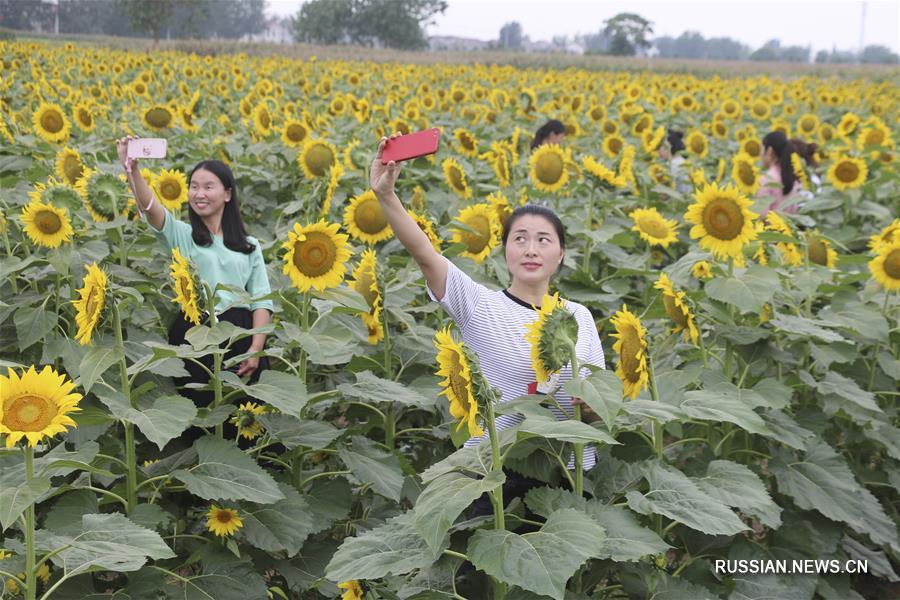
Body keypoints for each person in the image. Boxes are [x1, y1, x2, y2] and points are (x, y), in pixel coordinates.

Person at [370, 135, 606, 510]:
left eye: (544, 240)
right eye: (520, 239)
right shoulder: (480, 305)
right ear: (505, 250)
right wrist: (386, 196)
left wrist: (593, 406)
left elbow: (600, 400)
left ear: (561, 254)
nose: (531, 249)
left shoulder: (579, 316)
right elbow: (426, 255)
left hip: (570, 473)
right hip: (494, 473)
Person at [115, 136, 274, 411]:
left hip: (240, 336)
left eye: (208, 187)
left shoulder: (250, 246)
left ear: (227, 193)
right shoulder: (183, 235)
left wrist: (256, 348)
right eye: (194, 187)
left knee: (247, 413)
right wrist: (132, 169)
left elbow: (260, 300)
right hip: (195, 333)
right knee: (199, 411)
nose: (199, 193)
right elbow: (150, 208)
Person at [757, 131, 802, 217]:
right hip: (789, 229)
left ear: (769, 151)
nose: (760, 155)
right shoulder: (792, 175)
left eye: (762, 150)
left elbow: (761, 215)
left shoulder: (767, 179)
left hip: (770, 230)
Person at [658, 129, 691, 194]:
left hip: (676, 202)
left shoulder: (672, 165)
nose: (658, 152)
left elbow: (665, 192)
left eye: (660, 147)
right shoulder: (683, 161)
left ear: (667, 147)